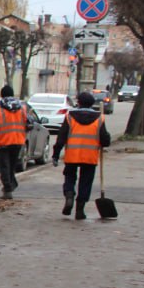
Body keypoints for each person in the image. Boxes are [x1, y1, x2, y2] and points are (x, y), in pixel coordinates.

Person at [52, 91, 111, 220]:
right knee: (86, 182)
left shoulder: (70, 117)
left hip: (72, 155)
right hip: (90, 156)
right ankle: (80, 210)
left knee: (69, 177)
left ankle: (69, 196)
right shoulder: (99, 118)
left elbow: (61, 136)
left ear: (78, 102)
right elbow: (105, 140)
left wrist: (56, 154)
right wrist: (106, 139)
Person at [0, 85, 33, 200]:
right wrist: (23, 131)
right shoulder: (22, 108)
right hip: (18, 140)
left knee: (4, 166)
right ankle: (11, 185)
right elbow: (30, 123)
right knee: (11, 165)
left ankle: (7, 188)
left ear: (2, 94)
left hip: (3, 141)